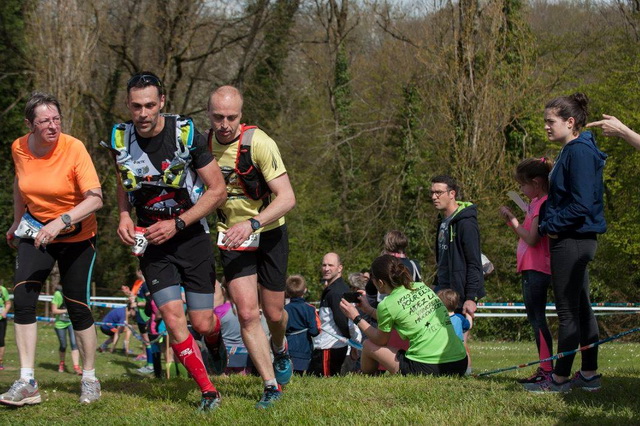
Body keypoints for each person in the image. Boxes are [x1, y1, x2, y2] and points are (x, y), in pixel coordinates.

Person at [110, 72, 227, 412]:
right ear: (129, 106)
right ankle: (208, 392)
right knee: (173, 318)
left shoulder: (187, 136)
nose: (143, 113)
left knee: (203, 323)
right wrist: (123, 215)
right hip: (152, 242)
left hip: (190, 236)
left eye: (150, 105)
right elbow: (122, 182)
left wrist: (177, 224)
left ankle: (215, 341)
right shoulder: (121, 138)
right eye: (136, 106)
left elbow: (217, 191)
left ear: (162, 102)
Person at [1, 92, 103, 407]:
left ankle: (89, 378)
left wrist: (61, 221)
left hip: (76, 234)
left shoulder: (74, 148)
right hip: (36, 230)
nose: (53, 126)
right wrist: (17, 222)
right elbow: (21, 186)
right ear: (30, 125)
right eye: (44, 121)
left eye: (56, 119)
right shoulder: (19, 147)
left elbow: (96, 198)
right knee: (23, 298)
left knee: (76, 304)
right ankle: (27, 380)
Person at [207, 85, 296, 408]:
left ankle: (280, 347)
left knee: (273, 313)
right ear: (209, 115)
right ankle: (270, 385)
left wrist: (253, 223)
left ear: (241, 116)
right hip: (232, 238)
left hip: (268, 231)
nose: (224, 124)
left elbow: (287, 198)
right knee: (246, 313)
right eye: (218, 117)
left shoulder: (259, 143)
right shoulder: (203, 146)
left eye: (231, 117)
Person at [524, 93, 607, 393]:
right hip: (572, 239)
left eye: (551, 121)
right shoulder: (571, 151)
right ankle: (588, 374)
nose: (545, 127)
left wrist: (548, 226)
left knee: (569, 312)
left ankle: (559, 379)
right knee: (582, 308)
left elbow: (583, 204)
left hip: (572, 240)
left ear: (570, 122)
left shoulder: (579, 152)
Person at [339, 255, 467, 376]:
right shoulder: (421, 287)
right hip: (460, 362)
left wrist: (356, 317)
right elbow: (404, 317)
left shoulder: (387, 304)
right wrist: (369, 310)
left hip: (428, 367)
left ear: (380, 283)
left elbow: (380, 340)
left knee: (367, 345)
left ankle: (364, 375)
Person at [499, 158, 554, 384]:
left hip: (537, 268)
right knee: (535, 318)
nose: (520, 189)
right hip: (530, 268)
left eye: (523, 185)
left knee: (537, 319)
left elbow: (532, 239)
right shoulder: (535, 202)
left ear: (537, 182)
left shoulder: (543, 204)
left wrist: (512, 221)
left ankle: (547, 369)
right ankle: (546, 367)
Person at [431, 175, 485, 316]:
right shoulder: (442, 222)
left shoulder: (466, 223)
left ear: (452, 194)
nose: (434, 197)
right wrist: (435, 284)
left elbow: (474, 262)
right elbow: (443, 259)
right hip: (441, 289)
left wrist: (470, 298)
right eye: (432, 192)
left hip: (459, 295)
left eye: (438, 192)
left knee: (457, 337)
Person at [309, 253, 352, 377]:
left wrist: (351, 341)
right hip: (329, 346)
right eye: (324, 265)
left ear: (340, 268)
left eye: (331, 265)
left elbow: (342, 320)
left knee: (326, 382)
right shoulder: (333, 288)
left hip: (331, 347)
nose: (326, 268)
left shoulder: (336, 292)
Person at [284, 275, 320, 374]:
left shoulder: (284, 309)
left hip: (288, 347)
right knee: (299, 374)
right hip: (304, 348)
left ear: (287, 292)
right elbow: (314, 331)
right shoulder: (310, 309)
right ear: (305, 290)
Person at [437, 289, 473, 374]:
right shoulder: (459, 318)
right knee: (466, 353)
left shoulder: (438, 318)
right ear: (456, 304)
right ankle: (468, 371)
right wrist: (469, 314)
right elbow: (469, 325)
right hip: (458, 346)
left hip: (443, 344)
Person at [51, 285, 82, 375]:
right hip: (60, 324)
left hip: (71, 323)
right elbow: (54, 310)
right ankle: (62, 363)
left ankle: (76, 367)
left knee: (74, 343)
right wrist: (66, 311)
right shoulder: (58, 294)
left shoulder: (74, 293)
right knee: (63, 345)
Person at [0, 280, 11, 371]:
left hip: (1, 320)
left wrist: (5, 311)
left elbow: (8, 303)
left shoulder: (2, 290)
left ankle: (0, 362)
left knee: (1, 341)